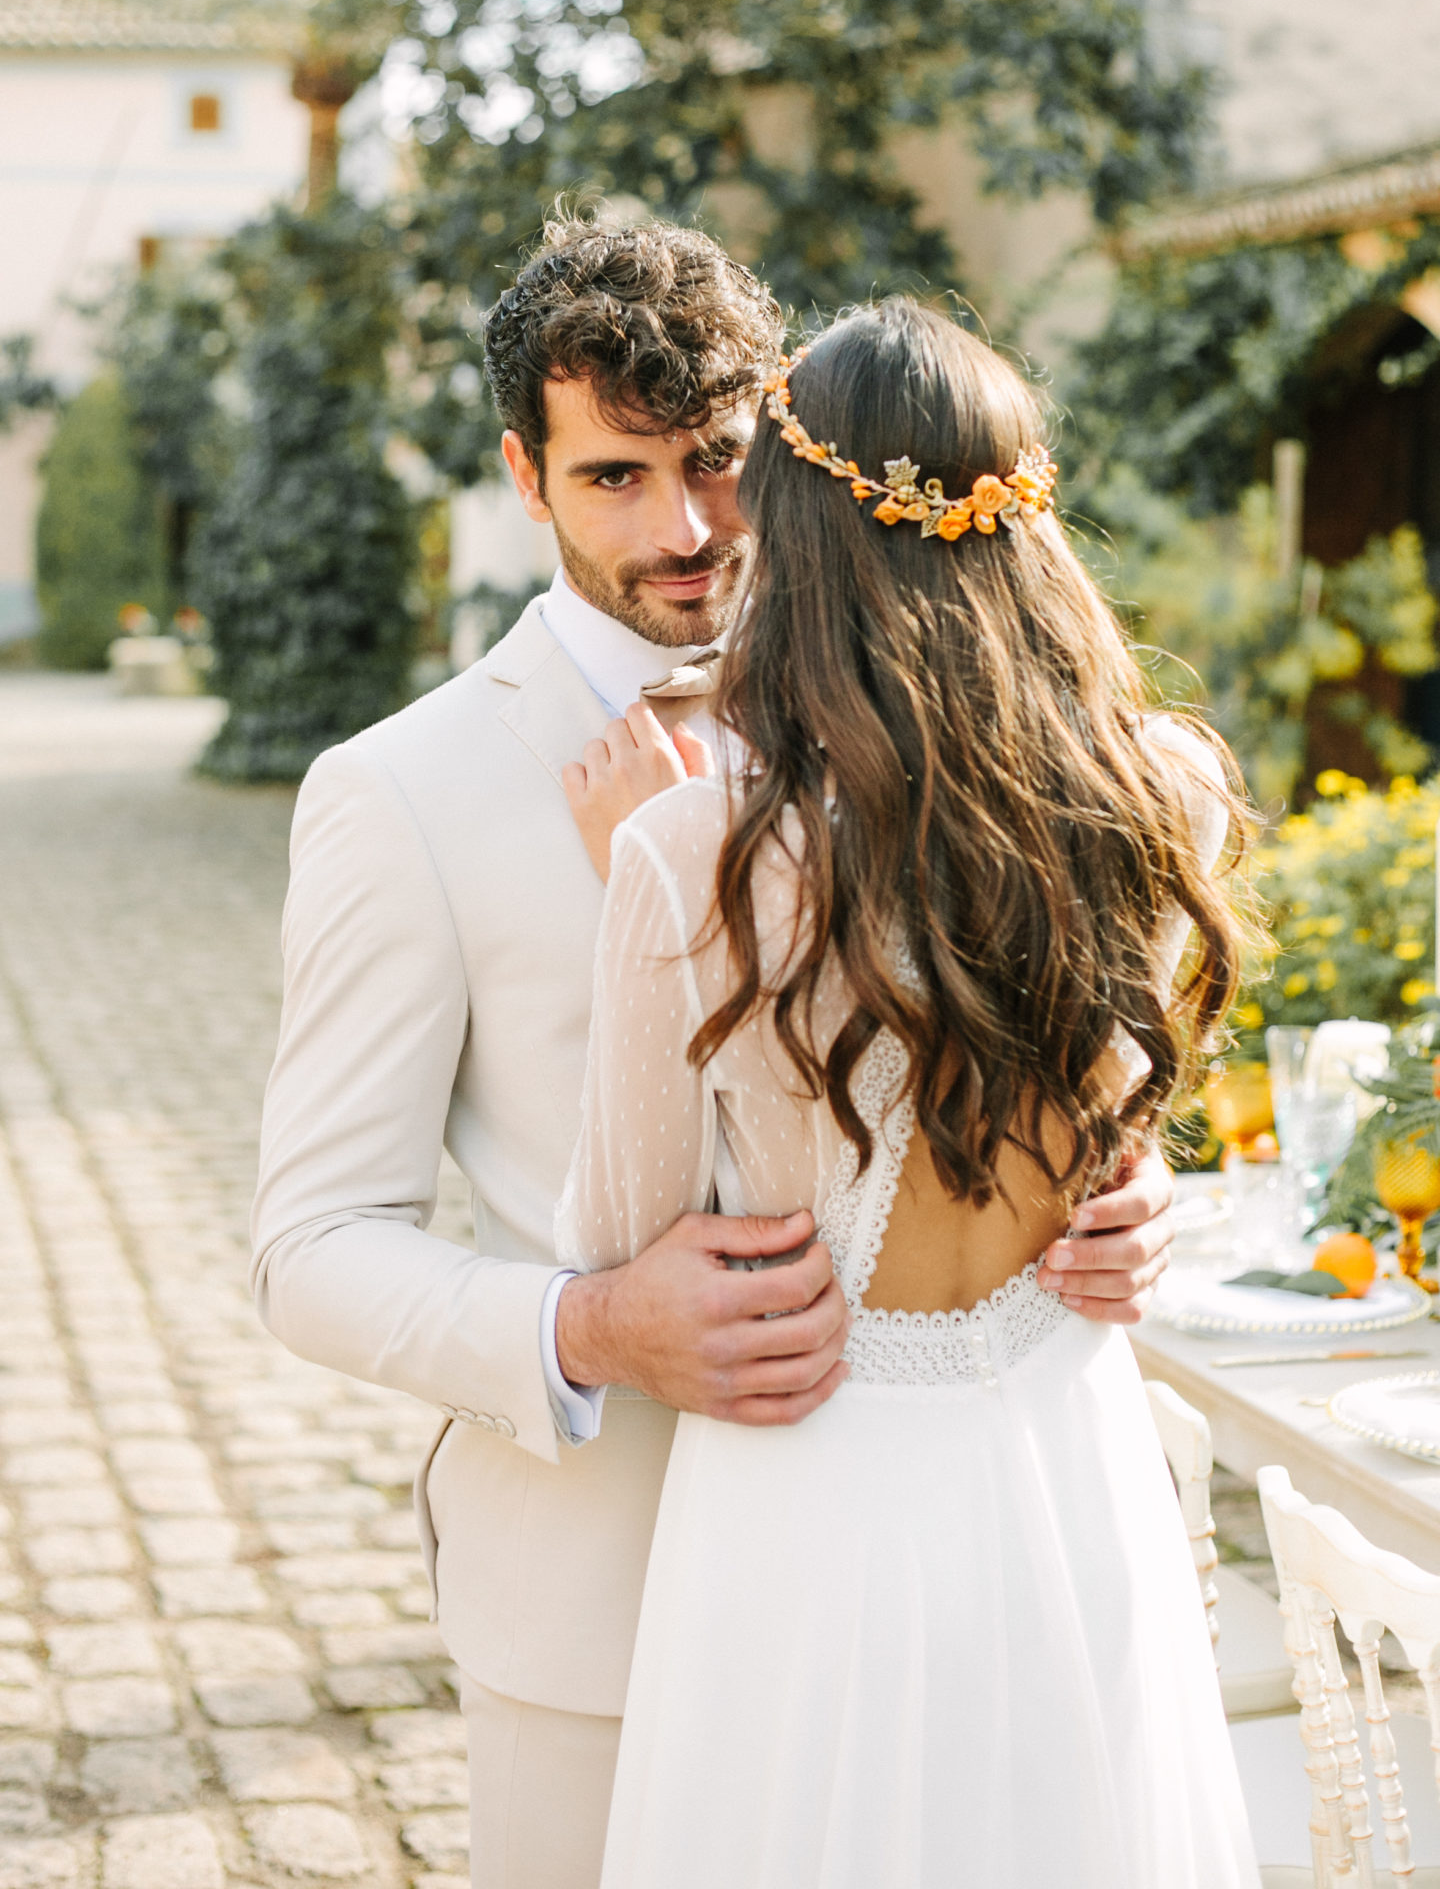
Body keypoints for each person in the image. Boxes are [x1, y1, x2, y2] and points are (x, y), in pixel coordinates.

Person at [250, 222, 1182, 1889]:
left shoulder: (951, 718)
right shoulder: (404, 792)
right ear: (525, 479)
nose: (683, 531)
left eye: (719, 464)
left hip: (952, 1564)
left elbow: (999, 1057)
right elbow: (309, 1252)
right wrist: (592, 1322)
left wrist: (1120, 1188)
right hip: (607, 1609)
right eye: (616, 478)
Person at [556, 298, 1259, 1887]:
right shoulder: (1175, 796)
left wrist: (642, 896)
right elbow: (1105, 1151)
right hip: (1069, 1454)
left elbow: (623, 1235)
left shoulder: (691, 856)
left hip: (818, 1490)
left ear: (795, 541)